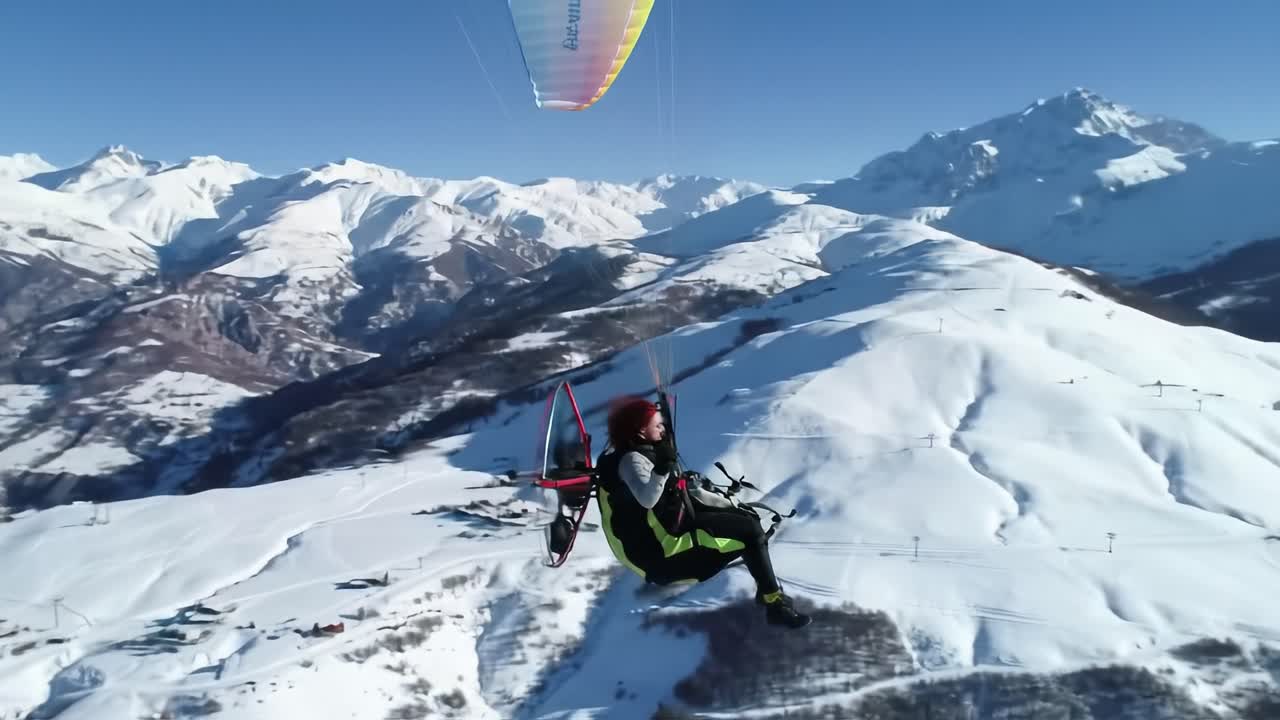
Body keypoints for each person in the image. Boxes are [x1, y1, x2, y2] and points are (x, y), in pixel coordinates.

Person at [594, 395, 811, 628]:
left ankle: (768, 593)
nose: (663, 428)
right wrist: (662, 469)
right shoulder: (631, 461)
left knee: (745, 520)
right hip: (662, 555)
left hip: (667, 534)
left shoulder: (638, 451)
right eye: (657, 425)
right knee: (750, 532)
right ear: (640, 431)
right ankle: (774, 604)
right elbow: (647, 499)